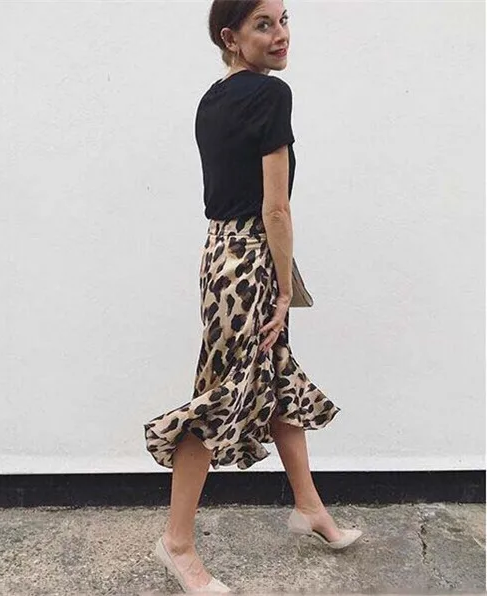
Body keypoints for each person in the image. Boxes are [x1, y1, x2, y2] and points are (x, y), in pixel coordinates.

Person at [143, 0, 362, 592]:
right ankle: (177, 543)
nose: (281, 34)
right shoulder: (270, 95)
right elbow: (275, 208)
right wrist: (285, 288)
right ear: (231, 38)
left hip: (220, 255)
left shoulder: (212, 99)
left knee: (276, 374)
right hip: (251, 262)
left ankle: (309, 507)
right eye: (263, 25)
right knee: (222, 393)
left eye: (284, 19)